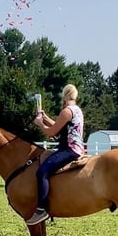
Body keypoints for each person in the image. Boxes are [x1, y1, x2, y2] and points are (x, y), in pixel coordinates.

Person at [26, 84, 85, 225]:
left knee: (42, 172)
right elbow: (59, 126)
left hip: (69, 149)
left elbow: (52, 132)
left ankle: (42, 209)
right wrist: (45, 118)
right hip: (76, 147)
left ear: (64, 95)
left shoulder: (66, 111)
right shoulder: (75, 110)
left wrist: (39, 123)